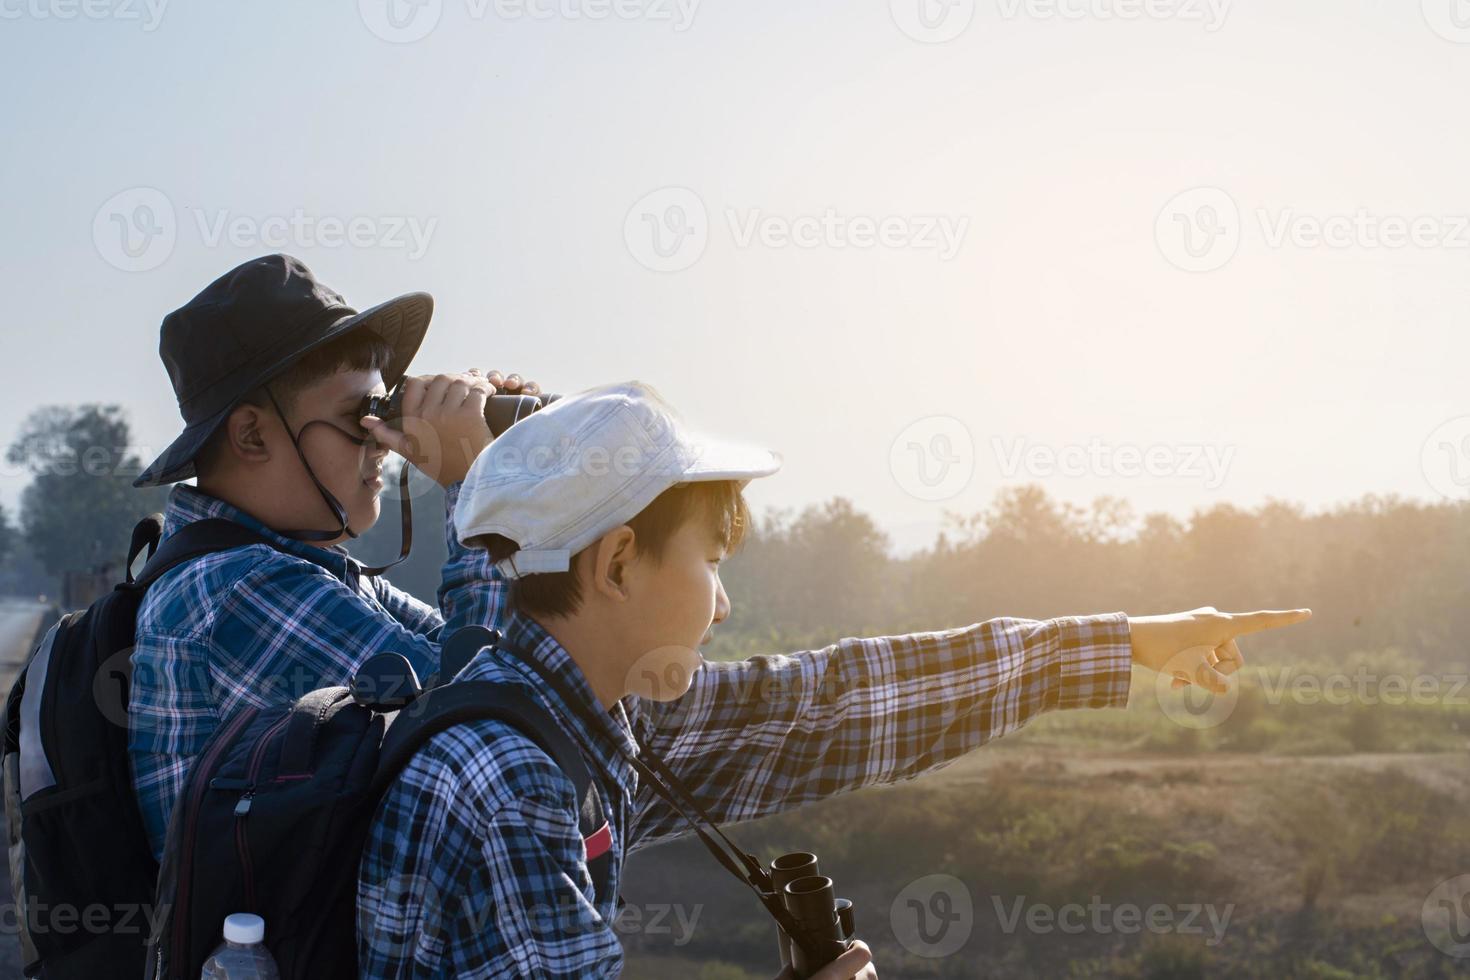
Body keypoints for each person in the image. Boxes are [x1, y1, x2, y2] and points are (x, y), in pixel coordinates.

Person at [356, 380, 1311, 978]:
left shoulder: (526, 688)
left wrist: (1130, 640)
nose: (722, 606)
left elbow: (830, 704)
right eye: (712, 562)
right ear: (613, 566)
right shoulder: (515, 782)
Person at [127, 253, 531, 858]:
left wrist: (514, 461)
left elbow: (522, 662)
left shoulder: (307, 573)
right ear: (253, 435)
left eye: (384, 411)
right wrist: (478, 489)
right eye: (358, 417)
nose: (383, 443)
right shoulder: (237, 590)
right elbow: (503, 712)